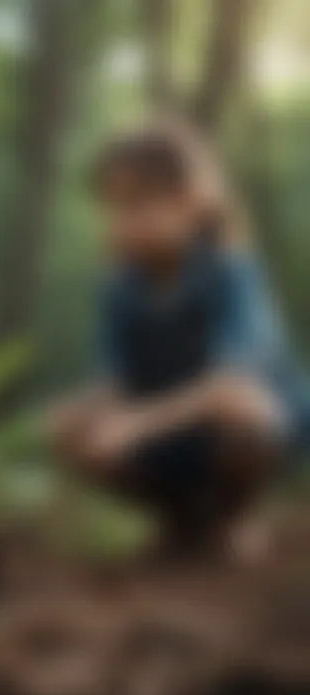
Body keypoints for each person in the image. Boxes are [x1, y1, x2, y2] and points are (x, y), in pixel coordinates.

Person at [48, 119, 307, 562]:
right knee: (67, 424)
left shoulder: (230, 273)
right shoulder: (121, 289)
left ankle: (232, 519)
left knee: (246, 408)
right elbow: (112, 379)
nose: (122, 221)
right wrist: (85, 414)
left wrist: (139, 423)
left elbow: (231, 385)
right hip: (171, 436)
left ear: (194, 201)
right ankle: (181, 523)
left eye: (139, 204)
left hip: (241, 430)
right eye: (113, 207)